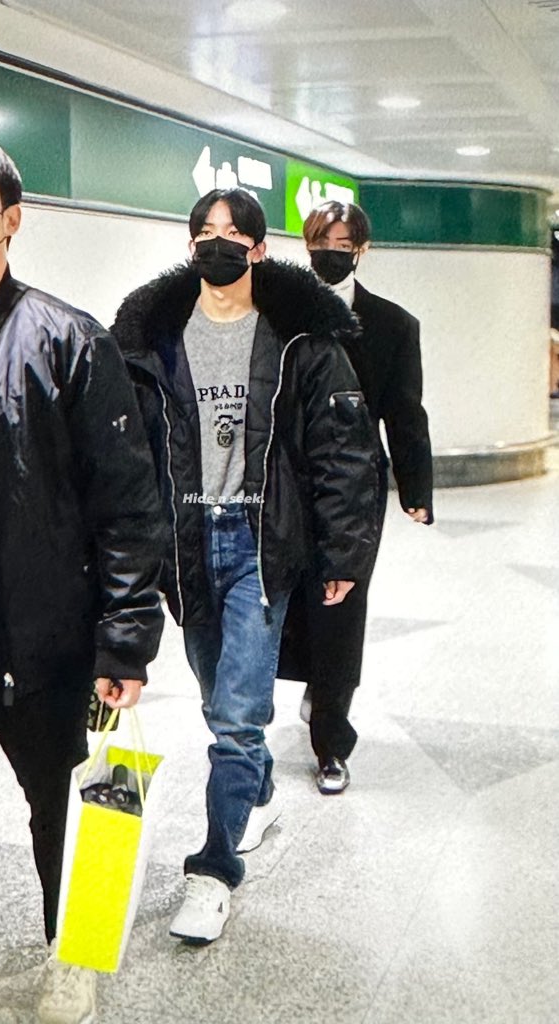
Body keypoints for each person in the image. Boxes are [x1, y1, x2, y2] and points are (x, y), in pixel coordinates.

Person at [0, 136, 164, 1024]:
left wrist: (126, 639)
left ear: (12, 219)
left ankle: (76, 957)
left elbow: (127, 501)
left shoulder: (69, 341)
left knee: (78, 822)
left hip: (50, 650)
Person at [111, 187, 379, 944]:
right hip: (187, 544)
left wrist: (342, 550)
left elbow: (344, 452)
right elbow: (127, 456)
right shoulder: (154, 342)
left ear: (259, 249)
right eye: (204, 231)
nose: (216, 242)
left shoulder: (300, 341)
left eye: (232, 233)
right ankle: (258, 789)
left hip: (263, 544)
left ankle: (214, 871)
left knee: (235, 715)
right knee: (215, 700)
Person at [281, 199, 433, 795]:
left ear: (361, 250)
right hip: (287, 483)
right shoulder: (280, 314)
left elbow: (405, 412)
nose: (330, 253)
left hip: (354, 488)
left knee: (341, 608)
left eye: (342, 245)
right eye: (320, 242)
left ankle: (331, 742)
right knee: (293, 601)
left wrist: (415, 489)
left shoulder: (392, 325)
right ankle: (314, 687)